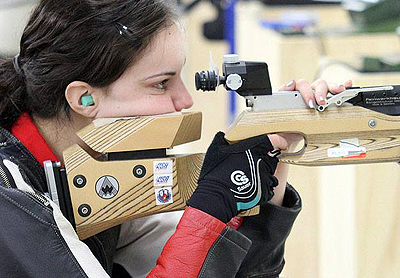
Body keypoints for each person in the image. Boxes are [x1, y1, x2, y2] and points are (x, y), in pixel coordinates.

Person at [0, 0, 352, 277]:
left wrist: (268, 160)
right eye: (161, 83)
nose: (185, 101)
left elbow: (220, 268)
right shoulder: (11, 196)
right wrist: (210, 206)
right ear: (84, 98)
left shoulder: (98, 176)